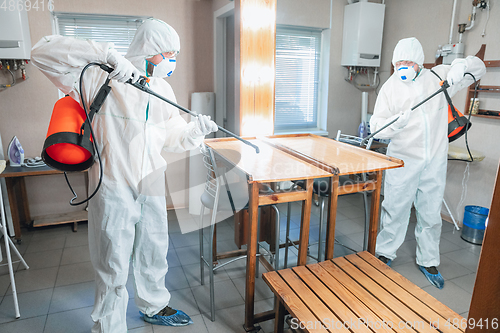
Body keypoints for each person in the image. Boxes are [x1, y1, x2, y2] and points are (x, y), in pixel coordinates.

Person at [32, 18, 218, 331]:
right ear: (149, 51)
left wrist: (195, 131)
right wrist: (107, 56)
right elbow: (42, 52)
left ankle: (153, 305)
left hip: (151, 183)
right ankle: (109, 325)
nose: (172, 61)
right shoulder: (96, 78)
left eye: (175, 54)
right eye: (168, 54)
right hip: (113, 185)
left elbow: (170, 137)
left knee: (154, 250)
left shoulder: (162, 88)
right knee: (112, 260)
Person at [370, 37, 485, 289]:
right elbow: (376, 127)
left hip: (434, 159)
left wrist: (459, 71)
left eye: (409, 62)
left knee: (430, 212)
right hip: (403, 160)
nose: (404, 66)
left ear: (419, 62)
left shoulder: (439, 76)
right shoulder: (390, 88)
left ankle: (428, 260)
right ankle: (385, 253)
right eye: (399, 62)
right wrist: (394, 124)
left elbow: (478, 67)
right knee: (395, 209)